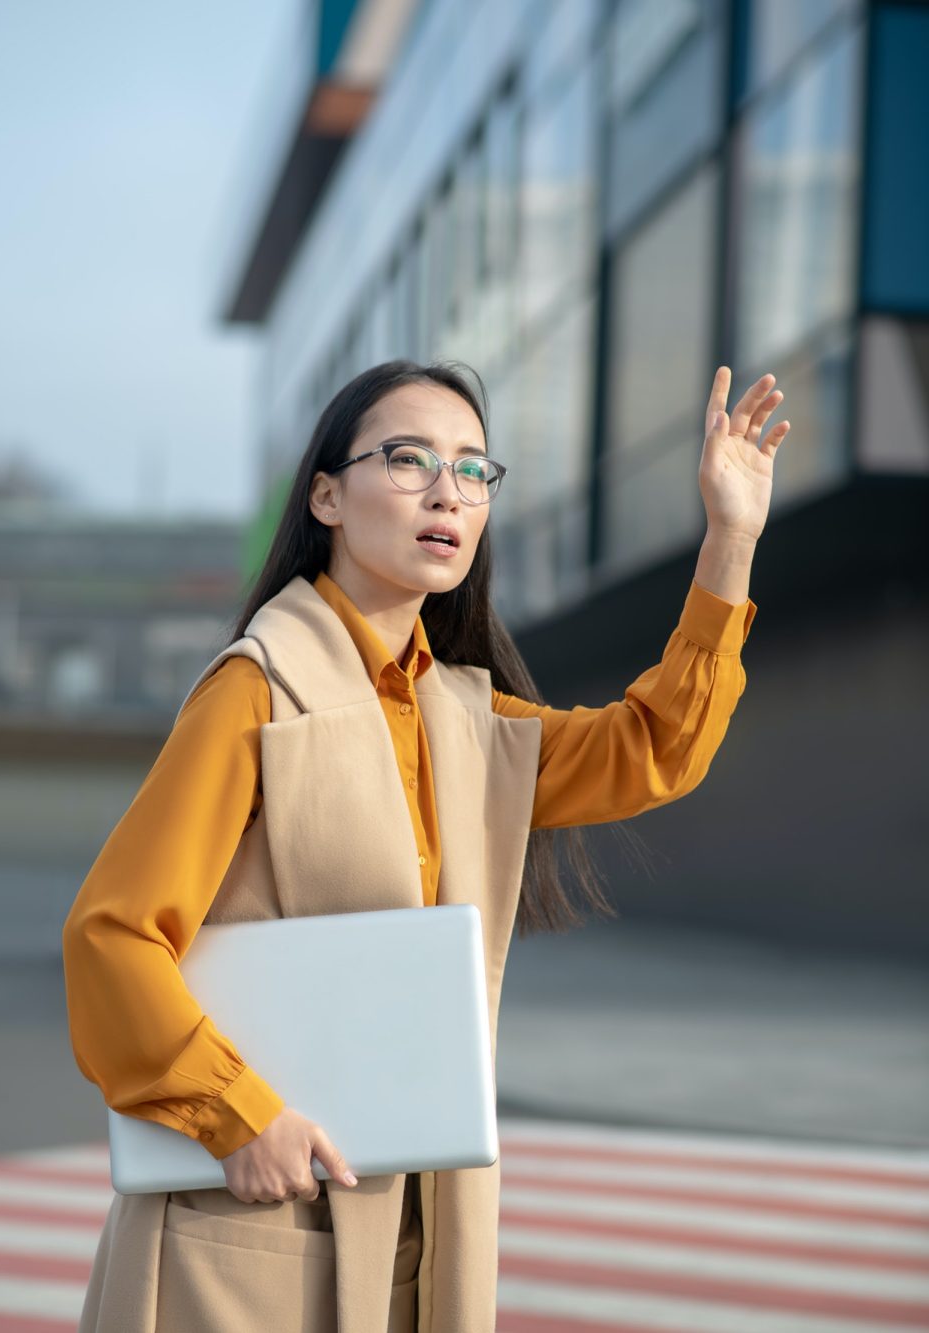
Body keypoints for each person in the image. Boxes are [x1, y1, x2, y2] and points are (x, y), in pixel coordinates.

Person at [62, 357, 788, 1332]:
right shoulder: (255, 689)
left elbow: (653, 749)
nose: (447, 490)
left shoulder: (466, 717)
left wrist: (729, 542)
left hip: (413, 1233)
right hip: (250, 1221)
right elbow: (111, 938)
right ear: (325, 493)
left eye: (473, 469)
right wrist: (237, 1114)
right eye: (407, 460)